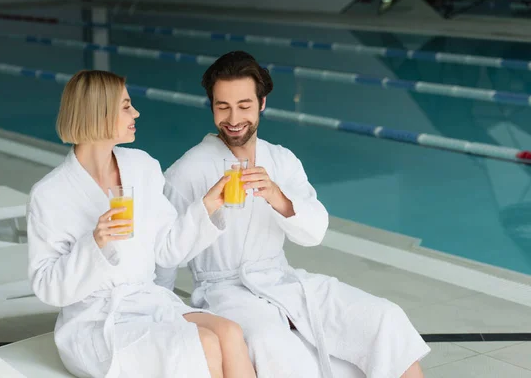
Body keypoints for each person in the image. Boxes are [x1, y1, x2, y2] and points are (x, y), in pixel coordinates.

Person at [155, 51, 431, 378]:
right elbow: (164, 257)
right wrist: (164, 315)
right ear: (212, 105)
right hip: (224, 292)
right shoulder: (188, 170)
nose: (233, 119)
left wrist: (277, 197)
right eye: (222, 106)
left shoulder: (281, 160)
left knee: (383, 317)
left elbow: (315, 233)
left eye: (244, 106)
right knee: (274, 346)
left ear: (262, 103)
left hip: (284, 280)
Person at [27, 70, 257, 378]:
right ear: (100, 112)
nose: (135, 113)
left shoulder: (142, 167)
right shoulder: (50, 193)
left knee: (228, 332)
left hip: (149, 305)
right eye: (125, 106)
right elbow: (48, 288)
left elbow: (166, 250)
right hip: (95, 322)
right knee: (202, 343)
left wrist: (208, 206)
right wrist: (94, 244)